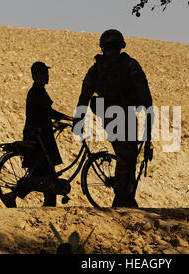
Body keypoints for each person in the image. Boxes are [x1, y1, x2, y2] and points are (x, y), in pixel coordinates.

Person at [73, 29, 154, 207]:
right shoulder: (130, 66)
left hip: (111, 117)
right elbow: (147, 100)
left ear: (103, 48)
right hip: (123, 116)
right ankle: (121, 199)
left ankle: (127, 198)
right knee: (127, 156)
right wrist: (149, 133)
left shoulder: (97, 69)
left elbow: (83, 97)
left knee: (127, 156)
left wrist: (78, 121)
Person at [3, 61, 73, 207]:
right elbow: (48, 112)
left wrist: (54, 123)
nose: (47, 75)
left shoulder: (39, 91)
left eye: (46, 73)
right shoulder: (36, 92)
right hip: (38, 136)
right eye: (43, 73)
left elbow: (42, 114)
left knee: (42, 172)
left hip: (42, 134)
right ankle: (17, 196)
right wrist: (69, 118)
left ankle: (14, 196)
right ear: (35, 76)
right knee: (45, 171)